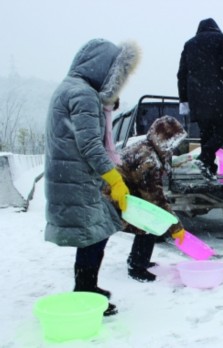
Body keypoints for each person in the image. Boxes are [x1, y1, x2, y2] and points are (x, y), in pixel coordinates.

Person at [44, 38, 141, 316]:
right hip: (78, 179)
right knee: (93, 235)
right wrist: (115, 179)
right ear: (104, 69)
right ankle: (85, 294)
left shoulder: (69, 89)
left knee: (97, 233)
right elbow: (90, 144)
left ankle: (88, 286)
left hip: (71, 177)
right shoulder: (83, 94)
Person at [114, 116, 188, 282]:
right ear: (164, 139)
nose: (174, 146)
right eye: (172, 141)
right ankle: (137, 267)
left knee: (148, 222)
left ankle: (138, 260)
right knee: (149, 223)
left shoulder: (148, 147)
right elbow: (155, 199)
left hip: (125, 192)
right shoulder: (148, 158)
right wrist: (176, 227)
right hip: (115, 195)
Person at [177, 17, 223, 181]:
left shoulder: (189, 44)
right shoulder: (220, 39)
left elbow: (181, 74)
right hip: (213, 90)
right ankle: (204, 159)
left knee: (206, 132)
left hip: (195, 96)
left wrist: (183, 100)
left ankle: (208, 169)